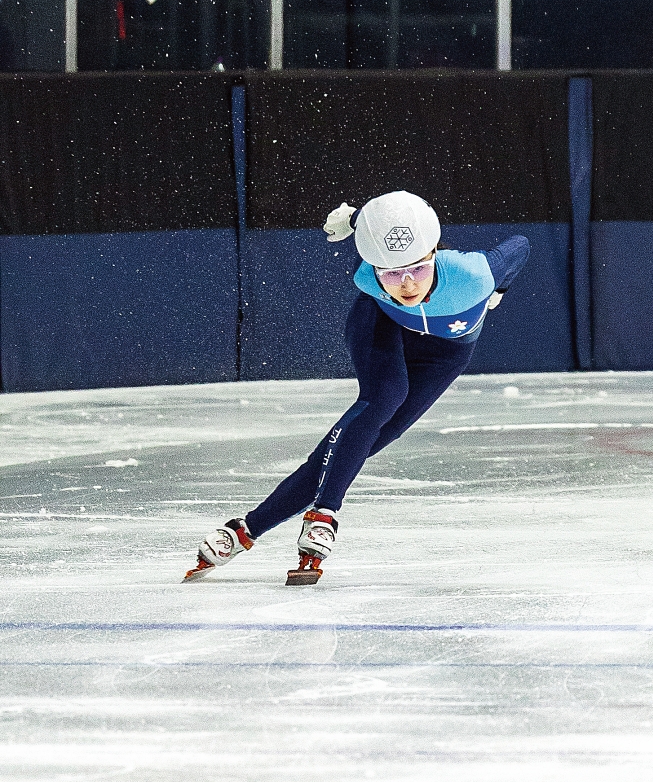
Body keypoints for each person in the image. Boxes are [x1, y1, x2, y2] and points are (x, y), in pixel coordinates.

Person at [185, 191, 529, 585]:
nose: (405, 285)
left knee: (363, 441)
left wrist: (500, 289)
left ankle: (245, 529)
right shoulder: (366, 275)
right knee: (384, 396)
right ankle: (325, 513)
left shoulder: (474, 274)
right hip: (381, 326)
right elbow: (382, 238)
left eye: (417, 269)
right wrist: (357, 221)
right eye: (390, 273)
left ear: (434, 254)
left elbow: (520, 247)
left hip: (444, 355)